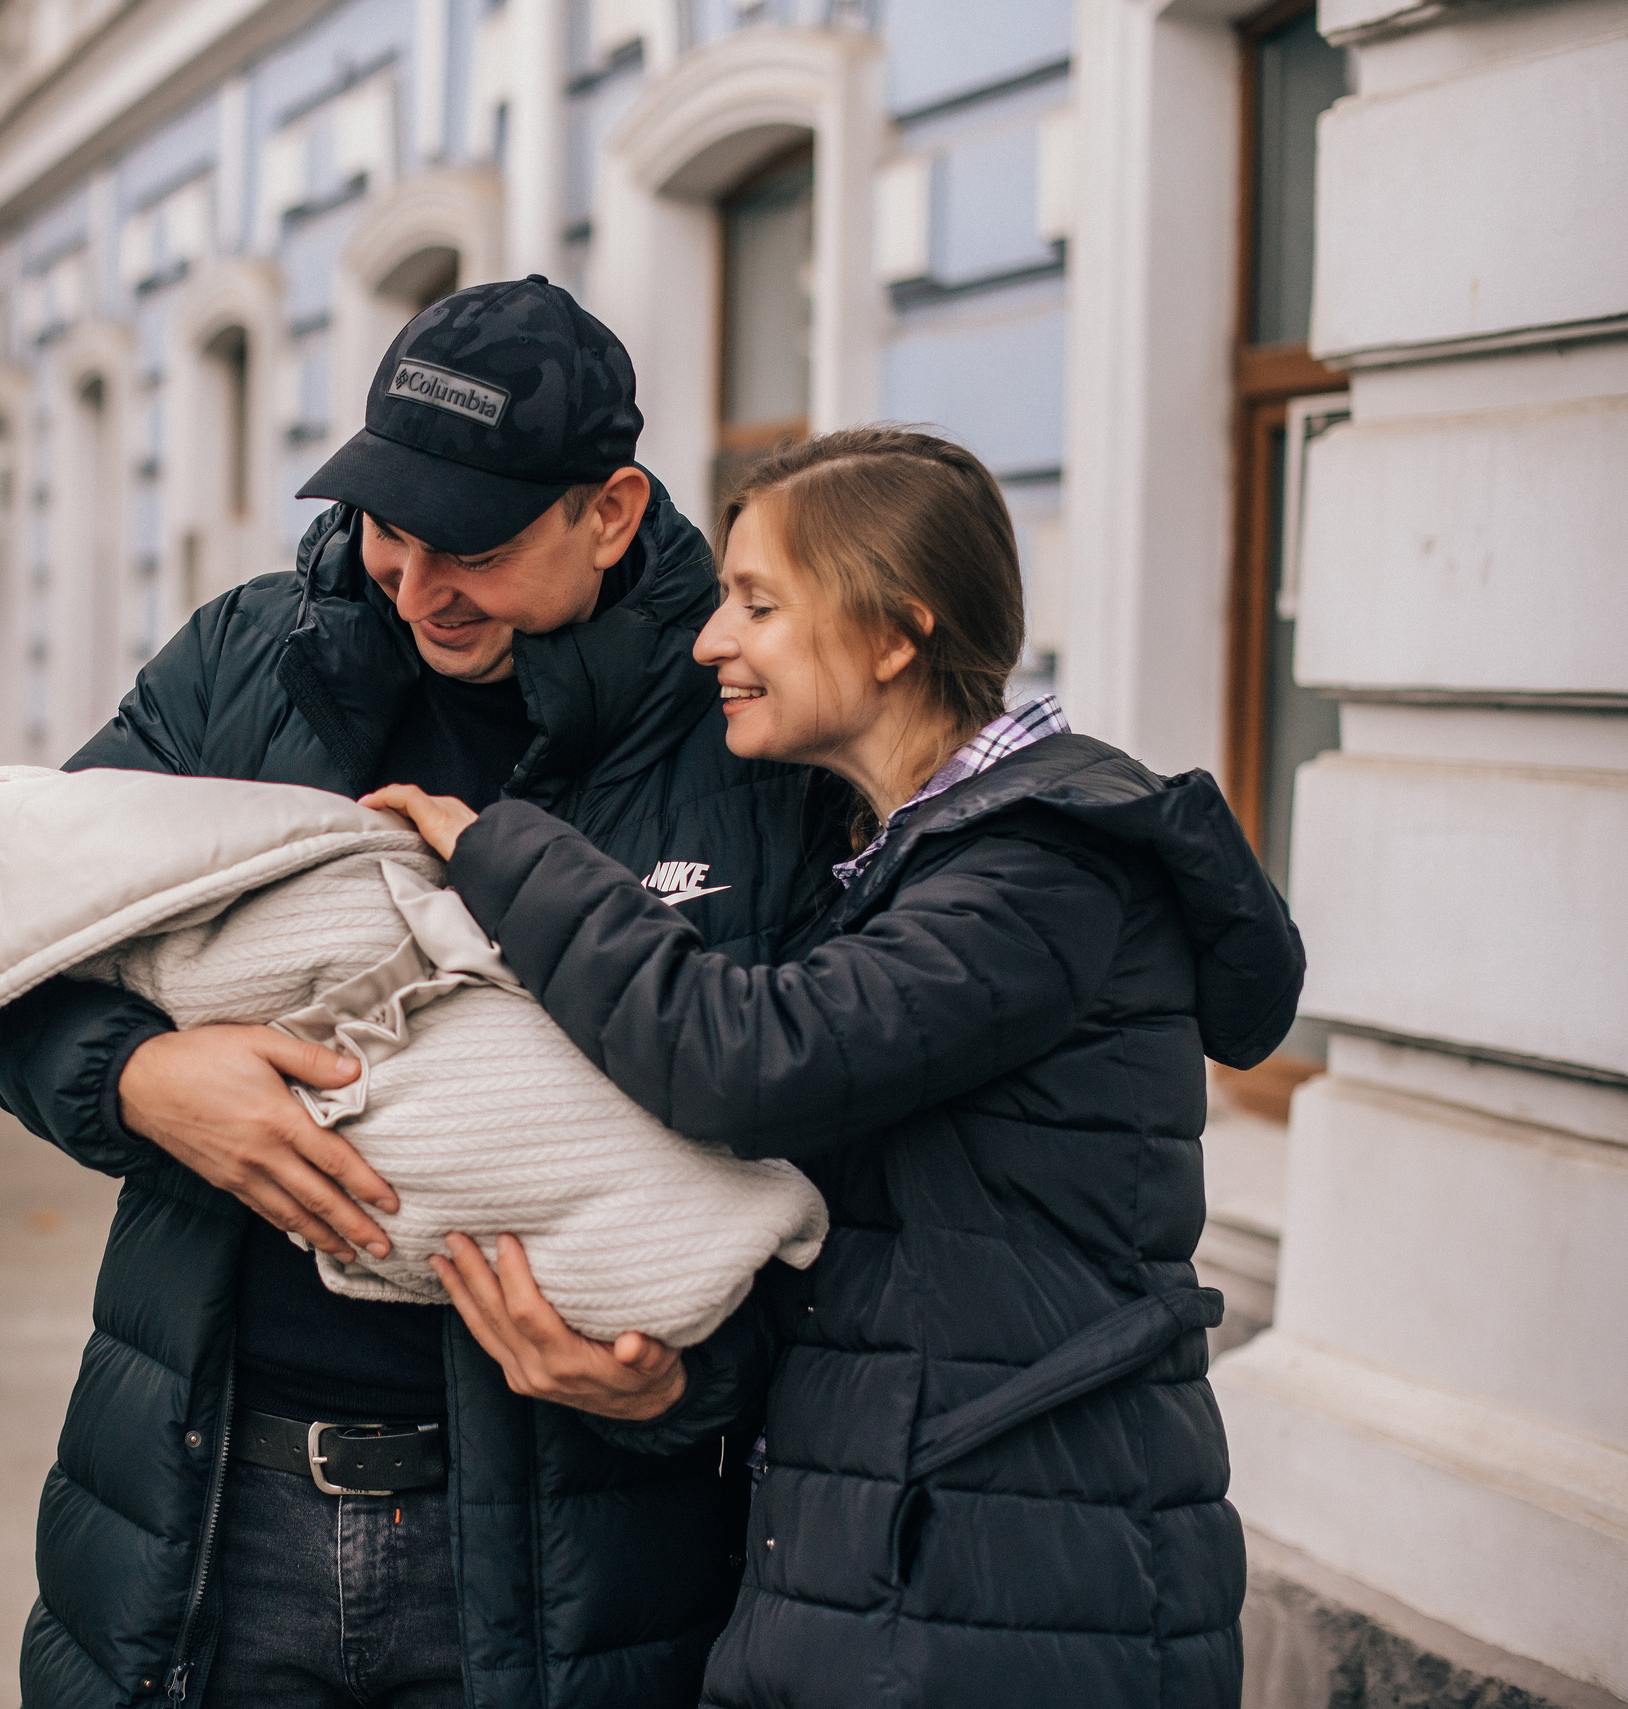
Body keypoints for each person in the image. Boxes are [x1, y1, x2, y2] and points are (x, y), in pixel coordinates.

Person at [0, 277, 853, 1709]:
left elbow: (838, 1144)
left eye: (477, 546)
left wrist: (690, 1389)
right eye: (390, 524)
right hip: (208, 1512)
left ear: (610, 514)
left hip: (568, 1567)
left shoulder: (749, 731)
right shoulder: (246, 664)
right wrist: (138, 1082)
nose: (419, 581)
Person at [368, 426, 1305, 1709]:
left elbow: (747, 1058)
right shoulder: (903, 868)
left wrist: (502, 854)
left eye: (757, 604)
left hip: (1023, 1579)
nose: (711, 642)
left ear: (891, 634)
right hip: (898, 1550)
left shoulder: (1041, 873)